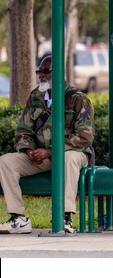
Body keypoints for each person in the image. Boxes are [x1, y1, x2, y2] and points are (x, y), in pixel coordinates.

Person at [0, 55, 95, 234]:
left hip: (73, 153)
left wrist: (50, 151)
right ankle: (18, 219)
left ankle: (65, 217)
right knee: (5, 161)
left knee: (68, 158)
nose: (41, 76)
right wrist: (29, 151)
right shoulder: (35, 96)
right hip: (41, 156)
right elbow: (23, 131)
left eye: (46, 72)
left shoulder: (78, 99)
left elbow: (84, 137)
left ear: (59, 73)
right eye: (39, 72)